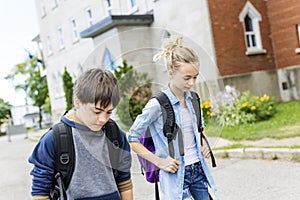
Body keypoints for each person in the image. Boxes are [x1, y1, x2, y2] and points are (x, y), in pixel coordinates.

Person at [128, 36, 219, 200]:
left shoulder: (194, 99)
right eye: (187, 78)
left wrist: (204, 143)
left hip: (198, 170)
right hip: (175, 175)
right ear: (171, 74)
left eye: (195, 77)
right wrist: (159, 162)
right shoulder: (157, 105)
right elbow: (132, 139)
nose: (192, 83)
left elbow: (199, 128)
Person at [28, 68, 133, 200]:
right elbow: (40, 191)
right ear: (77, 101)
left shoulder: (114, 133)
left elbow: (124, 179)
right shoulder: (54, 139)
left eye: (109, 112)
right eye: (96, 111)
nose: (103, 119)